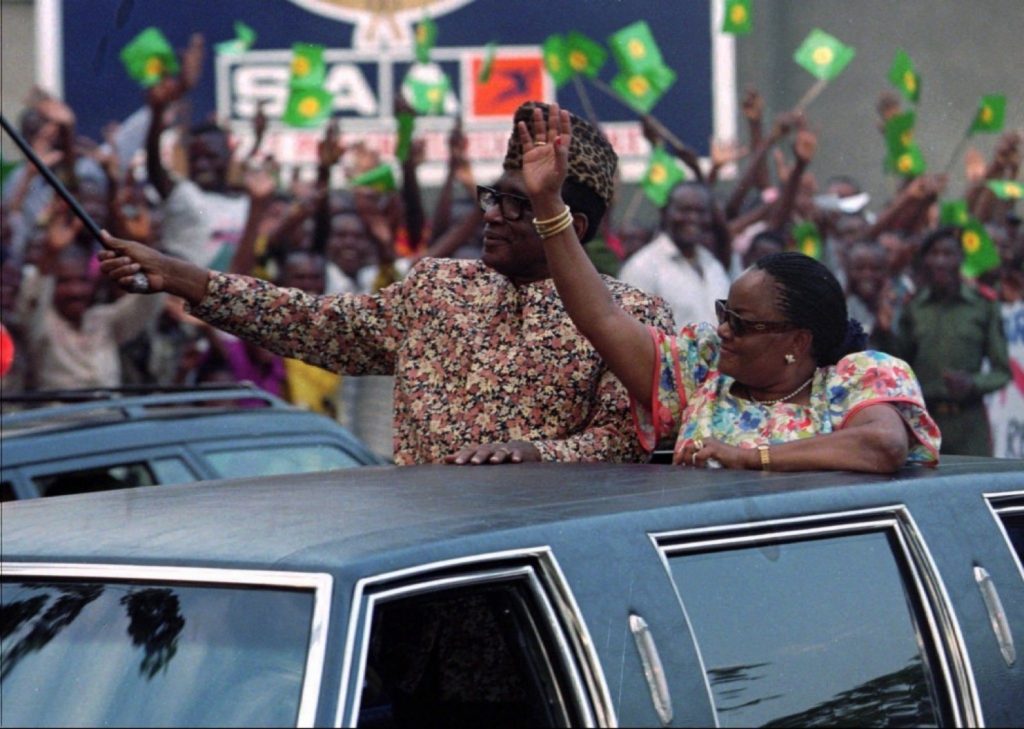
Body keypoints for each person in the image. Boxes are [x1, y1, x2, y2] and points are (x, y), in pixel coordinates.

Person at [98, 101, 675, 466]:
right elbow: (315, 324)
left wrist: (534, 455)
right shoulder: (439, 287)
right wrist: (186, 278)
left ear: (569, 224)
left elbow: (629, 438)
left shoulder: (634, 315)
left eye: (518, 204)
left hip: (535, 576)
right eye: (492, 196)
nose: (493, 214)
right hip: (416, 565)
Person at [512, 103, 940, 473]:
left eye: (742, 322)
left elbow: (882, 446)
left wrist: (751, 459)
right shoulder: (701, 372)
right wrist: (549, 203)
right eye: (723, 313)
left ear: (797, 340)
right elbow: (602, 316)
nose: (723, 331)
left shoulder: (856, 379)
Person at [872, 227, 1010, 456]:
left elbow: (1002, 371)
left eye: (948, 254)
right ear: (924, 261)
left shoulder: (982, 306)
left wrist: (972, 383)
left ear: (961, 258)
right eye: (934, 254)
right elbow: (900, 363)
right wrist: (884, 332)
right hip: (924, 420)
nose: (940, 261)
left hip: (969, 423)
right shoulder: (914, 307)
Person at [618, 180, 731, 326]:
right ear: (665, 213)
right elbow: (632, 332)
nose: (693, 218)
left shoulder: (713, 264)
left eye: (701, 211)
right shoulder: (642, 267)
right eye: (685, 210)